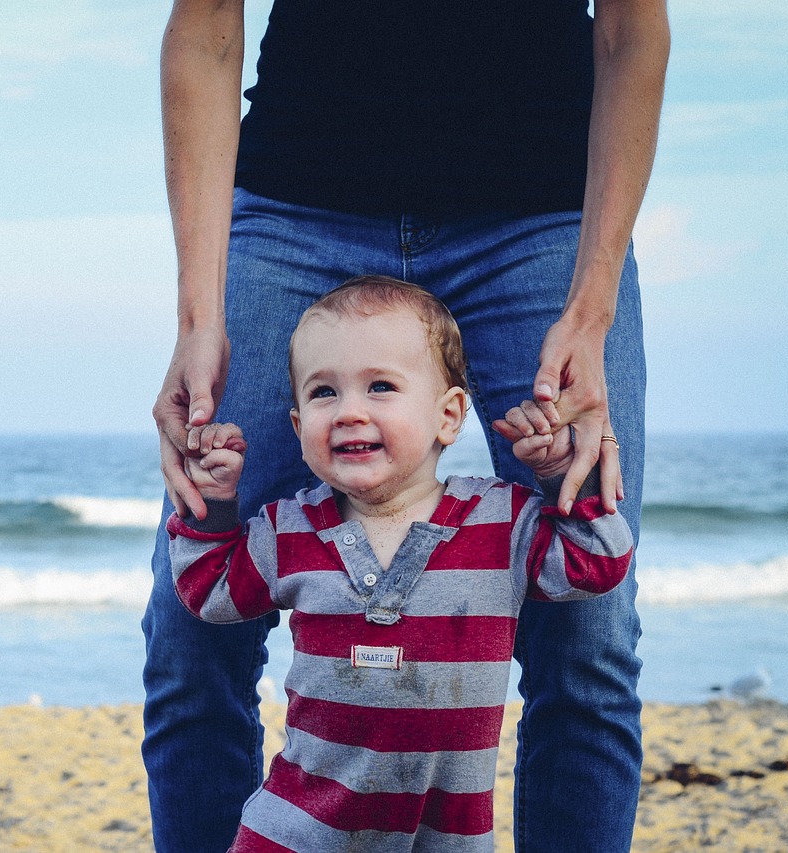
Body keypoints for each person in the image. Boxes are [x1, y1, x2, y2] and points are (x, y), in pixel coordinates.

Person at [142, 2, 669, 851]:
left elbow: (630, 29)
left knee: (590, 640)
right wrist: (199, 317)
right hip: (294, 207)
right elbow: (205, 26)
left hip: (543, 217)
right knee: (188, 634)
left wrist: (592, 306)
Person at [166, 277, 633, 852]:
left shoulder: (502, 523)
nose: (348, 412)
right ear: (298, 427)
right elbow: (208, 592)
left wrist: (562, 476)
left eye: (381, 386)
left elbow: (597, 563)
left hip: (445, 840)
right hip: (294, 834)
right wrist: (215, 507)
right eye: (323, 392)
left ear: (448, 416)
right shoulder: (289, 529)